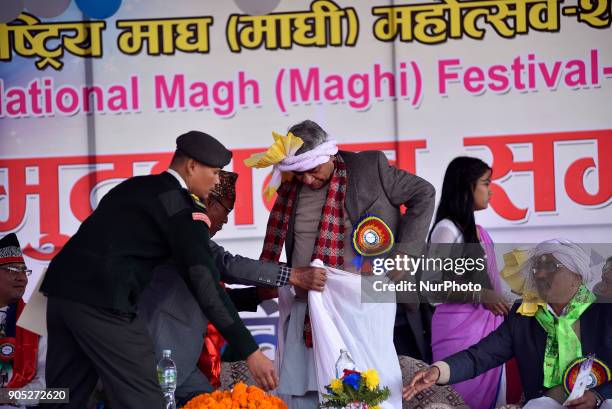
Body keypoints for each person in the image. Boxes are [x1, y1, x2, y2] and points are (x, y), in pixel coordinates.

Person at [40, 131, 277, 409]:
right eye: (213, 172)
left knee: (62, 395)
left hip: (59, 294)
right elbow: (204, 280)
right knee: (146, 398)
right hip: (104, 304)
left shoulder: (135, 187)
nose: (216, 181)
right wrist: (250, 350)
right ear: (191, 166)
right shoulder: (183, 208)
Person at [245, 120, 436, 408]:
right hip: (307, 307)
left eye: (313, 170)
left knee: (369, 395)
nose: (307, 180)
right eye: (300, 173)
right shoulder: (290, 187)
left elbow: (424, 193)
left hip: (362, 304)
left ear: (330, 155)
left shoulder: (370, 168)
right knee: (303, 396)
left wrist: (405, 254)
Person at [138, 170, 326, 406]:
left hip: (181, 360)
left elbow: (213, 299)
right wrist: (292, 275)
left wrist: (258, 294)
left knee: (210, 402)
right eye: (226, 209)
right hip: (162, 351)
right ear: (208, 202)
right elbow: (228, 264)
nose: (226, 219)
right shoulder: (184, 235)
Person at [405, 239, 612, 409]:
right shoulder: (525, 315)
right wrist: (439, 371)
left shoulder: (604, 310)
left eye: (550, 267)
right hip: (549, 401)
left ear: (576, 277)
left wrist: (597, 396)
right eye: (536, 268)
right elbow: (482, 355)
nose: (539, 274)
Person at [427, 156, 517, 409]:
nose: (491, 191)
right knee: (458, 399)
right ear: (468, 186)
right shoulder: (447, 229)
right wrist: (481, 295)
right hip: (457, 333)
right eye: (486, 183)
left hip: (489, 333)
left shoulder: (479, 232)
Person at [0, 233, 46, 409]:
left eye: (24, 270)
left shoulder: (36, 317)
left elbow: (52, 390)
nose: (22, 278)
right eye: (12, 270)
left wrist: (9, 396)